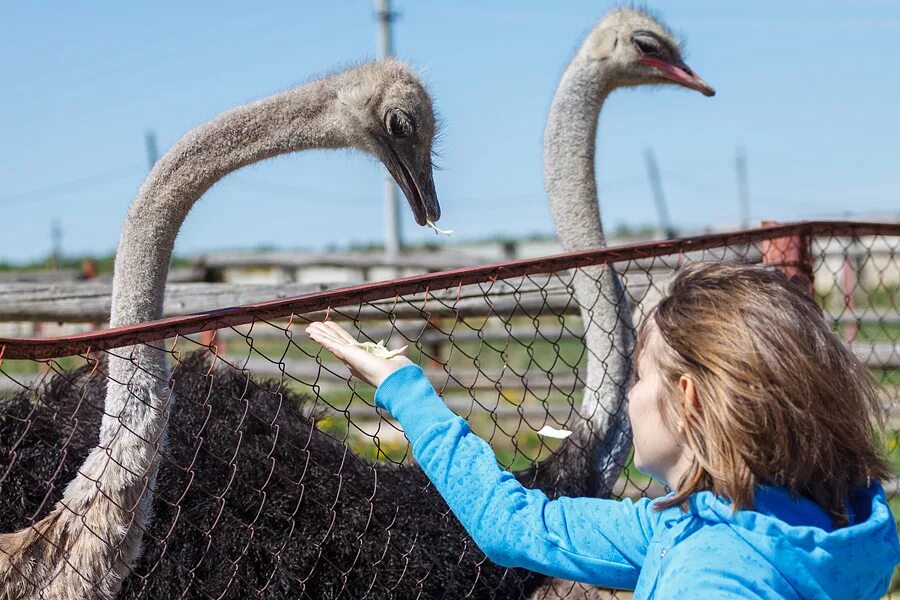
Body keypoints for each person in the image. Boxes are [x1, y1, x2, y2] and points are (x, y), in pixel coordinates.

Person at [305, 262, 900, 598]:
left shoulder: (712, 576)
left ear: (687, 399)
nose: (629, 396)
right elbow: (511, 525)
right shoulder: (830, 523)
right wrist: (408, 388)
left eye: (640, 379)